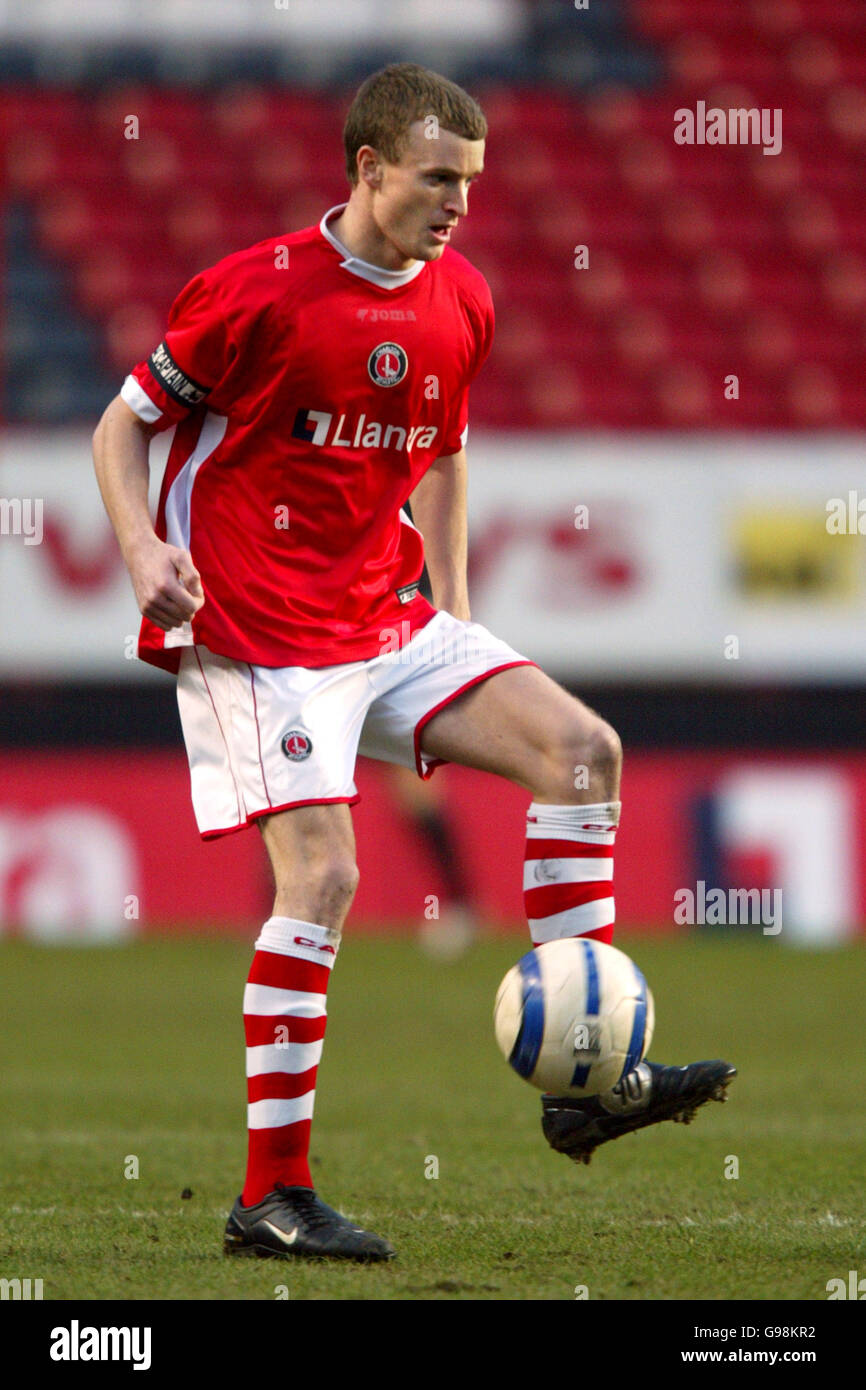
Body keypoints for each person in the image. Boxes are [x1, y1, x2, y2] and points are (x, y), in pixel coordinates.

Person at [92, 63, 735, 1264]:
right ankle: (270, 1197)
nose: (457, 205)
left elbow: (440, 449)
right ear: (369, 168)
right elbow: (121, 424)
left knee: (580, 751)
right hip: (253, 627)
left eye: (472, 185)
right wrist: (142, 550)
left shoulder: (463, 300)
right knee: (324, 877)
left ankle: (583, 1080)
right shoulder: (256, 293)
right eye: (438, 179)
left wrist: (458, 604)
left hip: (383, 614)